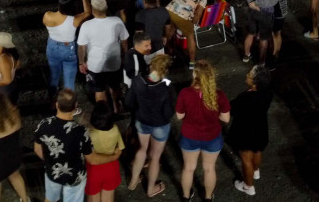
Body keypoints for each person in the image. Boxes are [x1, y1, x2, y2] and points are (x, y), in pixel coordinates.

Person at [176, 60, 230, 202]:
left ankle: (186, 197)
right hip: (212, 137)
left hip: (189, 136)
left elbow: (179, 115)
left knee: (188, 168)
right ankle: (207, 197)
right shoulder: (219, 95)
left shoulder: (185, 93)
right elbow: (226, 119)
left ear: (195, 74)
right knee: (209, 169)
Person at [124, 53, 173, 197]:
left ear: (151, 65)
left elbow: (129, 102)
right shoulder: (166, 86)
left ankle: (133, 182)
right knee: (155, 158)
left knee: (142, 148)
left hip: (142, 121)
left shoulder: (138, 80)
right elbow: (169, 110)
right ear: (165, 70)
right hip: (160, 125)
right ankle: (151, 189)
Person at [33, 89, 94, 202]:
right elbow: (90, 158)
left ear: (57, 105)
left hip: (53, 172)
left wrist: (50, 161)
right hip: (74, 176)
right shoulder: (81, 131)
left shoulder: (44, 124)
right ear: (75, 106)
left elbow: (37, 150)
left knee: (50, 199)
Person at [77, 0, 129, 113]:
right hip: (114, 63)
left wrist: (81, 62)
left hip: (95, 66)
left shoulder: (86, 26)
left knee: (99, 90)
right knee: (115, 86)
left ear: (93, 10)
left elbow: (81, 47)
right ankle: (117, 107)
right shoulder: (117, 21)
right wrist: (123, 56)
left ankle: (104, 113)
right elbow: (124, 41)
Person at [229, 66, 273, 197]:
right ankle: (256, 171)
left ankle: (248, 186)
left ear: (255, 82)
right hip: (260, 127)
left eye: (249, 74)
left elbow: (232, 110)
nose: (246, 75)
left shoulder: (246, 99)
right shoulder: (268, 92)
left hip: (246, 131)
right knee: (257, 150)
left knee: (246, 158)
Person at [43, 0, 91, 95]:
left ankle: (52, 102)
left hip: (52, 46)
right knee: (69, 78)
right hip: (68, 48)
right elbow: (88, 12)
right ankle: (69, 106)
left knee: (54, 75)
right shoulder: (74, 20)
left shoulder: (47, 15)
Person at [84, 102, 124, 202]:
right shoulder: (115, 129)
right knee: (108, 198)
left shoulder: (89, 134)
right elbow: (120, 147)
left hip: (93, 171)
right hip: (111, 168)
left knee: (93, 198)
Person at [166, 0, 208, 70]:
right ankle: (192, 62)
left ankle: (169, 51)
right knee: (190, 36)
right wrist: (192, 23)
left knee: (171, 28)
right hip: (183, 15)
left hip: (169, 9)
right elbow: (198, 14)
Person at [0, 32, 20, 102]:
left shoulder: (3, 59)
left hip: (2, 92)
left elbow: (7, 80)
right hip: (7, 90)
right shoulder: (10, 55)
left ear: (4, 46)